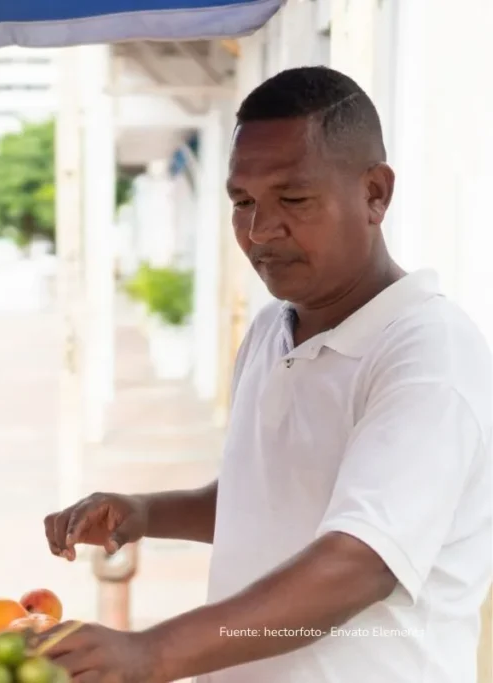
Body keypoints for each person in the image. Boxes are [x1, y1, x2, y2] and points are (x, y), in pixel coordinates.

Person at [39, 65, 492, 683]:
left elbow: (359, 562)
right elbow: (264, 498)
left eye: (294, 199)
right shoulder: (273, 328)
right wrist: (144, 513)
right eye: (243, 202)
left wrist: (156, 652)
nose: (260, 231)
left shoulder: (429, 354)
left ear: (375, 194)